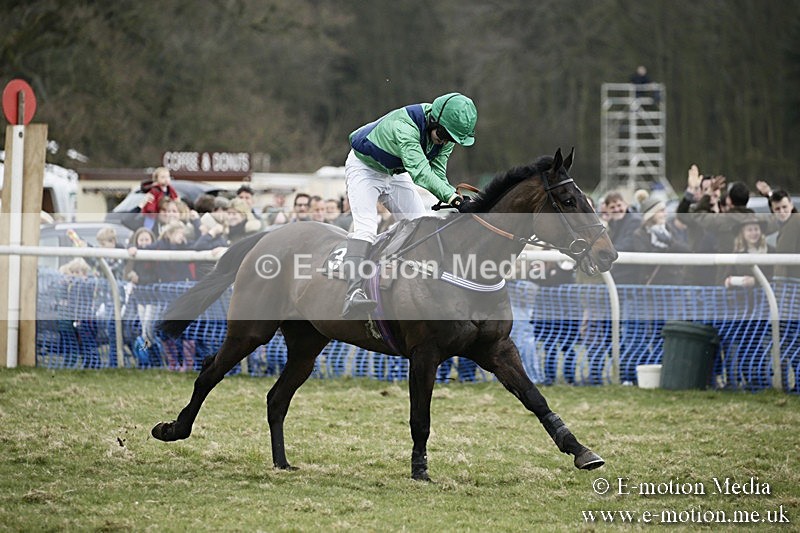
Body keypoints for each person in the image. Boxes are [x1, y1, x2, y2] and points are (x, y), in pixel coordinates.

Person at [341, 92, 478, 318]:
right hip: (364, 168)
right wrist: (453, 198)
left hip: (396, 172)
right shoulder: (405, 126)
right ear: (434, 120)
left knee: (420, 225)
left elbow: (438, 174)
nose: (444, 141)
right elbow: (421, 172)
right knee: (366, 226)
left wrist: (455, 197)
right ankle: (353, 293)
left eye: (451, 139)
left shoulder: (445, 133)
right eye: (443, 134)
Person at [719, 215, 773, 288]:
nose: (753, 233)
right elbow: (726, 278)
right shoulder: (737, 254)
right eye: (749, 230)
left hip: (766, 296)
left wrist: (755, 281)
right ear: (743, 233)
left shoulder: (771, 251)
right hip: (742, 296)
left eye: (756, 229)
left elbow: (774, 276)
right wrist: (729, 282)